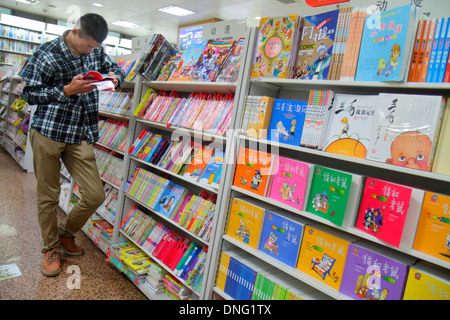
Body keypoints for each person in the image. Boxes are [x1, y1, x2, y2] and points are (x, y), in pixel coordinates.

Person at [21, 13, 125, 277]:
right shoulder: (46, 53)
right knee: (48, 196)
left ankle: (65, 233)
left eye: (95, 47)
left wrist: (114, 78)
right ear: (75, 31)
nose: (91, 51)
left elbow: (117, 68)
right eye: (88, 45)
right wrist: (65, 91)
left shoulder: (95, 52)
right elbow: (30, 94)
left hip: (80, 131)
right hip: (49, 131)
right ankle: (51, 248)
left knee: (95, 194)